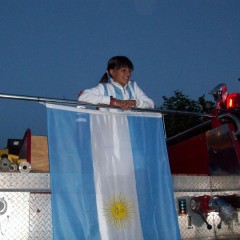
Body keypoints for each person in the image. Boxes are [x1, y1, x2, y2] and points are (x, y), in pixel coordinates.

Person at [78, 56, 154, 110]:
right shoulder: (104, 88)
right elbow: (83, 97)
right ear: (112, 72)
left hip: (131, 131)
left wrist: (135, 102)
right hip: (110, 130)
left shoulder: (133, 86)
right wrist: (113, 101)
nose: (128, 74)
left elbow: (151, 104)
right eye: (123, 70)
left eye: (129, 71)